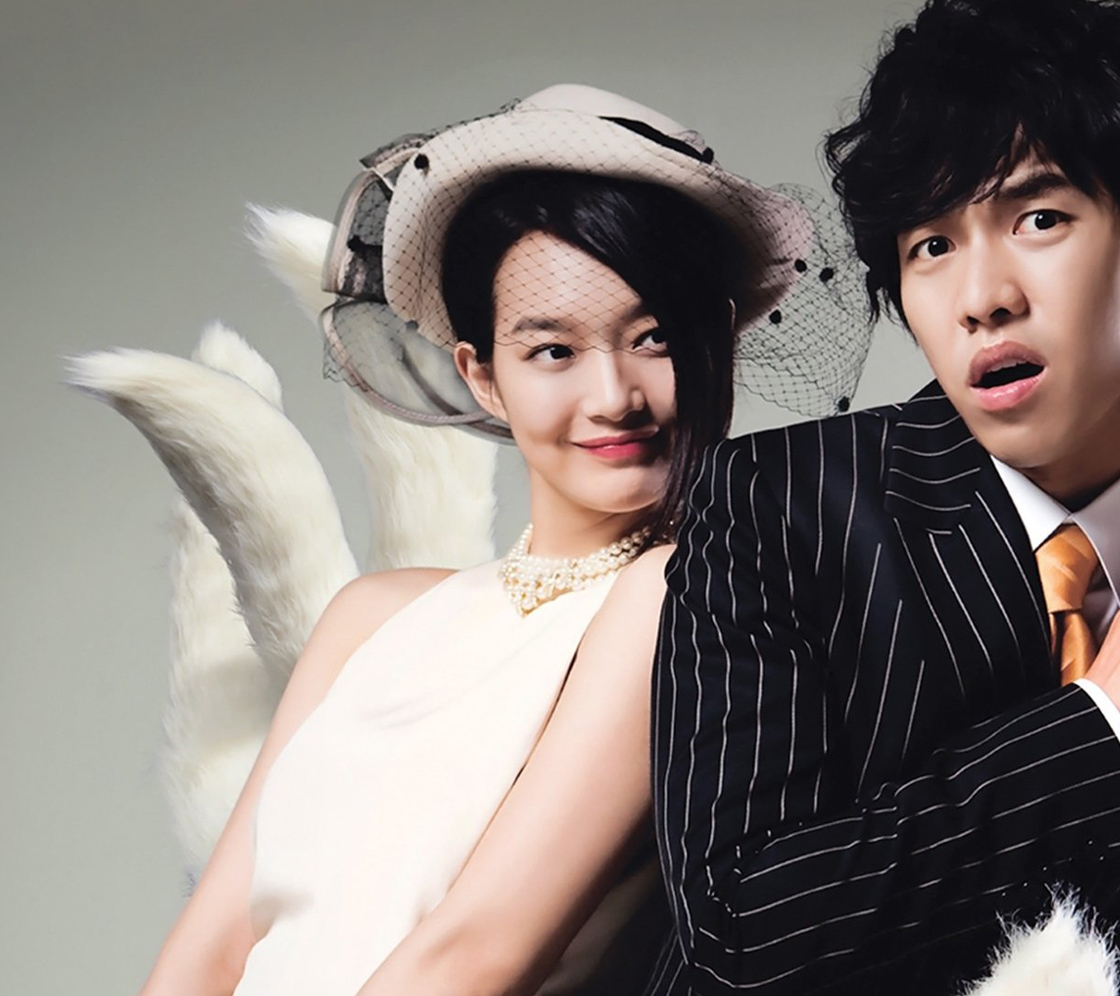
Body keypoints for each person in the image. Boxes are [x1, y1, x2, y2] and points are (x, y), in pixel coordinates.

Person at [648, 2, 1120, 993]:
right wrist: (1104, 723)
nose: (983, 298)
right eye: (932, 247)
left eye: (1039, 220)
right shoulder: (779, 503)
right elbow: (740, 929)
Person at [124, 84, 864, 996]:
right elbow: (208, 946)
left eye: (655, 337)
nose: (613, 397)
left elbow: (480, 950)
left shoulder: (687, 599)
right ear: (481, 376)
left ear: (717, 343)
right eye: (553, 351)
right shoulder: (370, 617)